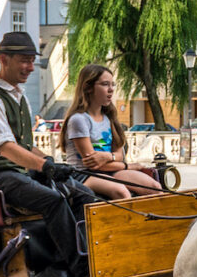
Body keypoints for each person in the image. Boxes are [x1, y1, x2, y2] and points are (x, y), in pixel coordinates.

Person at [0, 31, 96, 277]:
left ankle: (78, 259)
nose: (30, 67)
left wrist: (50, 162)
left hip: (16, 172)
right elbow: (5, 147)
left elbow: (23, 145)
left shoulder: (18, 97)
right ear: (3, 59)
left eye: (31, 61)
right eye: (24, 60)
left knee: (83, 194)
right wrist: (44, 167)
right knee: (53, 200)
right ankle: (81, 269)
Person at [62, 63, 163, 200]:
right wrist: (129, 166)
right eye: (105, 84)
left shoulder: (109, 118)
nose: (111, 90)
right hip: (83, 173)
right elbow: (93, 164)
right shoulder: (79, 120)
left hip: (110, 169)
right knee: (121, 192)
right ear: (88, 87)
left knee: (154, 187)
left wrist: (108, 157)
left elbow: (119, 154)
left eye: (112, 84)